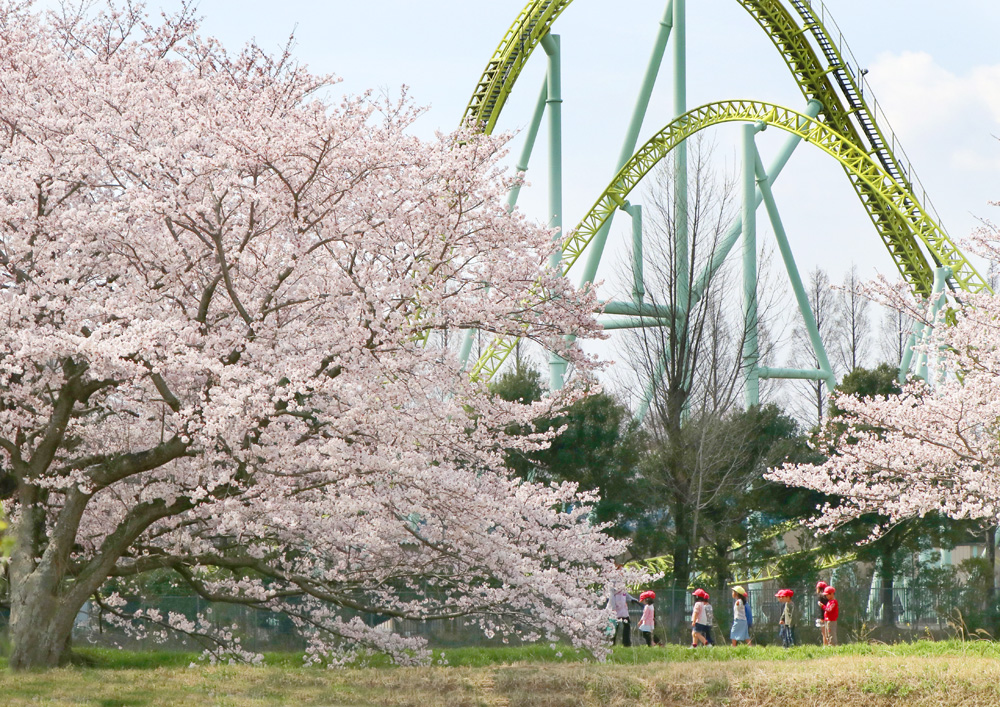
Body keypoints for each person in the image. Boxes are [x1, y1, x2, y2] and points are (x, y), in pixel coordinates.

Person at [815, 581, 829, 645]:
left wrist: (821, 617)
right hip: (828, 616)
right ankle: (828, 644)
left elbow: (821, 608)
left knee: (824, 633)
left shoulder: (820, 597)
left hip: (822, 617)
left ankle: (825, 645)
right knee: (827, 632)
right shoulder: (827, 596)